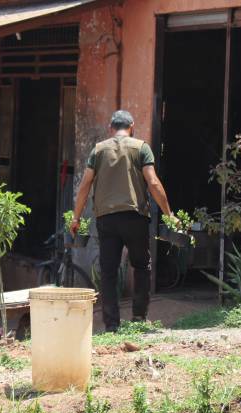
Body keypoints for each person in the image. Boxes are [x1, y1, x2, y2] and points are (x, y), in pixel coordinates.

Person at [71, 110, 174, 332]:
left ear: (111, 127)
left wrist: (76, 217)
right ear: (132, 126)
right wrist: (169, 213)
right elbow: (153, 182)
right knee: (141, 266)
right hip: (134, 217)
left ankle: (111, 325)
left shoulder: (98, 150)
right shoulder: (141, 147)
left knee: (108, 272)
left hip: (106, 219)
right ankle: (138, 317)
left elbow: (84, 185)